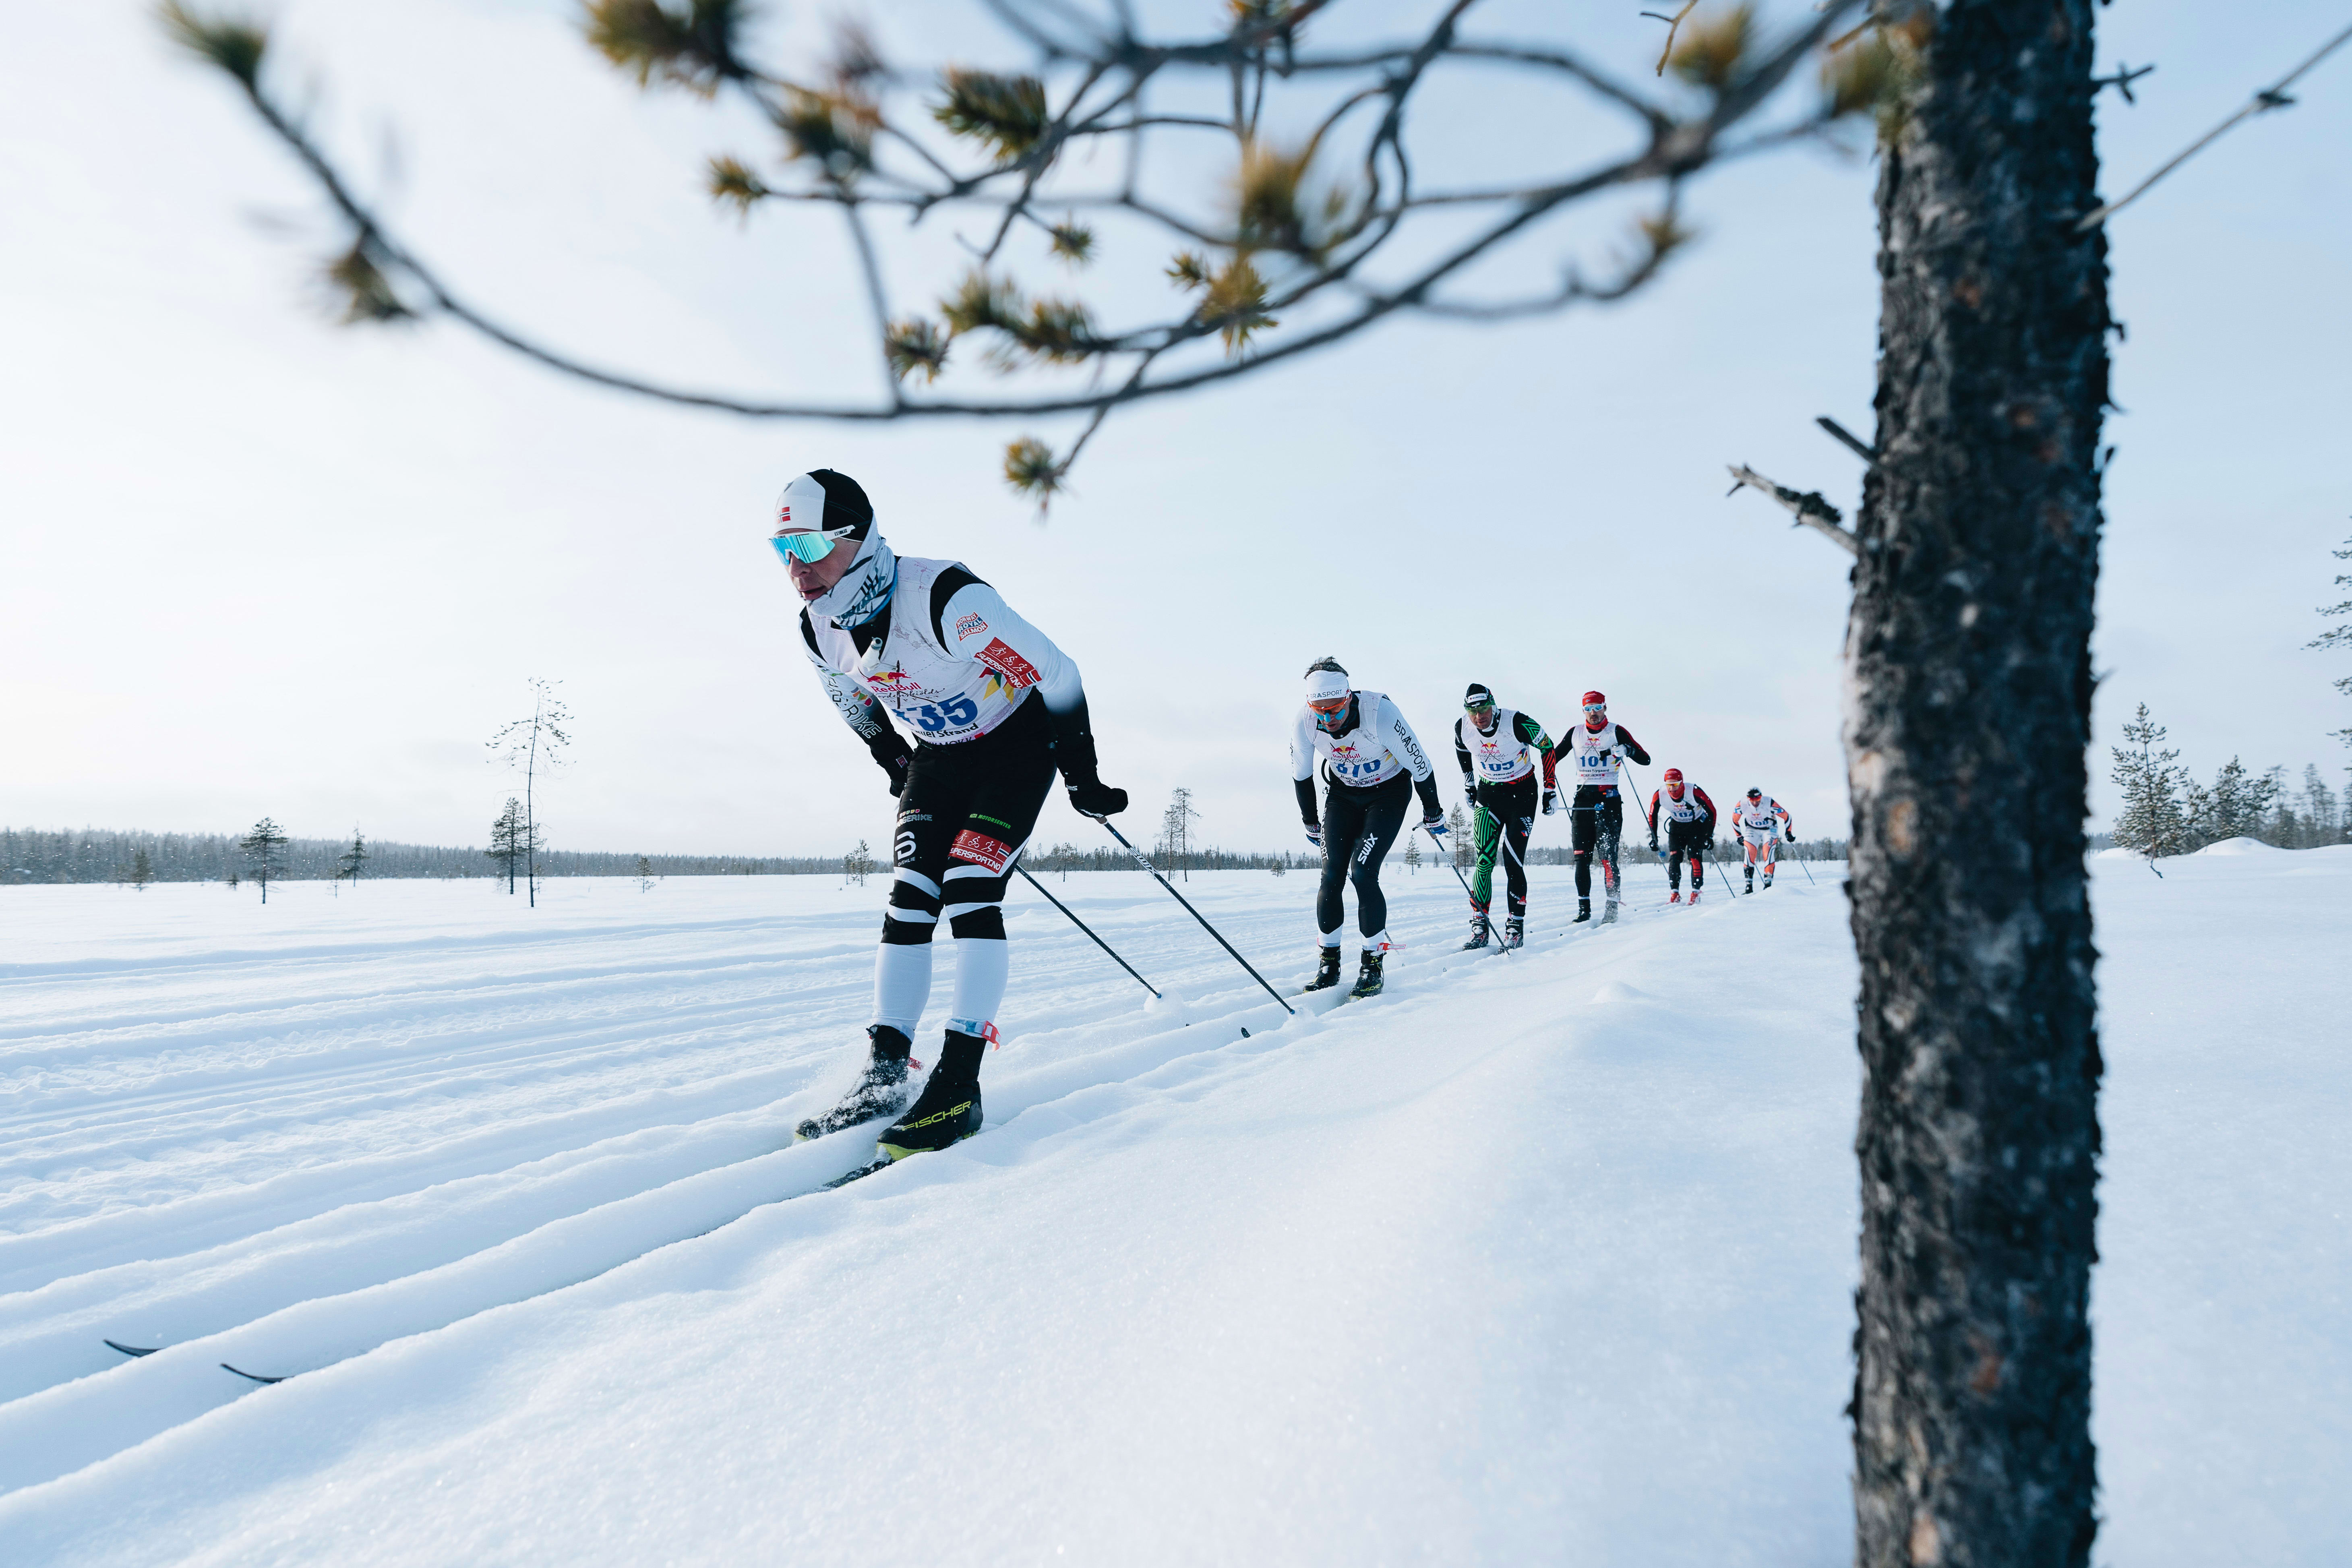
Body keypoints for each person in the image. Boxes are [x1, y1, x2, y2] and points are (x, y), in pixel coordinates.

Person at [777, 469, 1127, 1161]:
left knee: (969, 886)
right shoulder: (819, 628)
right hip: (938, 755)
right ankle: (885, 1071)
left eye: (812, 544)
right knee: (909, 900)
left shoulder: (947, 601)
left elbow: (1058, 674)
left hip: (1016, 746)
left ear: (859, 537)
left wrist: (1082, 775)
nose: (797, 567)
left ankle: (959, 1081)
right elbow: (848, 696)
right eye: (782, 547)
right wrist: (887, 753)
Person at [1291, 657, 1446, 997]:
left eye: (1333, 710)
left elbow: (1419, 764)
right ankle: (1329, 964)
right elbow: (1301, 773)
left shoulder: (1380, 714)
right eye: (1319, 711)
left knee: (1362, 872)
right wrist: (1309, 819)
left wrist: (1433, 811)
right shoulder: (1305, 722)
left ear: (1348, 698)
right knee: (1331, 875)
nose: (1327, 719)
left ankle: (1372, 964)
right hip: (1343, 796)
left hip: (1387, 795)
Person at [1452, 682, 1557, 949]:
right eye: (1472, 711)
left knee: (1512, 862)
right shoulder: (1461, 728)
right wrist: (1469, 784)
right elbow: (1462, 751)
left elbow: (1547, 746)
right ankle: (1479, 924)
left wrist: (1549, 790)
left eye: (1484, 708)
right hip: (1489, 794)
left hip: (1522, 794)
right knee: (1484, 860)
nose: (1479, 716)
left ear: (1493, 705)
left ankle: (1515, 925)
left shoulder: (1518, 723)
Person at [1558, 691, 1651, 923]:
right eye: (1588, 709)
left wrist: (1627, 751)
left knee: (1608, 857)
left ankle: (1612, 908)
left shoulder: (1616, 731)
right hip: (1582, 800)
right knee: (1581, 858)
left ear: (1605, 708)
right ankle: (1584, 910)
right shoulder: (1575, 733)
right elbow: (1553, 755)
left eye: (1597, 707)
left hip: (1608, 799)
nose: (1593, 713)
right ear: (1583, 711)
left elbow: (1645, 759)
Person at [1646, 767, 1719, 904]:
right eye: (1669, 785)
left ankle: (1696, 893)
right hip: (1677, 827)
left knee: (1694, 857)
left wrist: (1709, 836)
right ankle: (1675, 894)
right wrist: (1654, 838)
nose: (1672, 789)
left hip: (1697, 825)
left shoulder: (1694, 791)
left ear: (1682, 783)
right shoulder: (1660, 794)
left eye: (1676, 785)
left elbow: (1712, 812)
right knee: (1674, 858)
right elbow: (1652, 815)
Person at [1731, 787, 1796, 892]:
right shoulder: (1742, 804)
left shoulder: (1769, 802)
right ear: (1748, 799)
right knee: (1749, 852)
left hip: (1770, 829)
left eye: (1758, 799)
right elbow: (1734, 820)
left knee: (1768, 852)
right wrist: (1739, 836)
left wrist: (1789, 832)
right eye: (1752, 800)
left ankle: (1768, 884)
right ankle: (1749, 886)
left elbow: (1787, 817)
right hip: (1752, 829)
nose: (1756, 802)